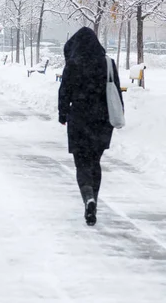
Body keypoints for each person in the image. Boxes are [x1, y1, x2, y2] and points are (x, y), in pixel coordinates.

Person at [58, 27, 124, 226]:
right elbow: (116, 92)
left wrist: (62, 114)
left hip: (79, 118)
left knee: (82, 163)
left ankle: (88, 196)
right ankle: (93, 197)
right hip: (102, 120)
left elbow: (64, 91)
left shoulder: (73, 64)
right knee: (94, 161)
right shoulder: (108, 63)